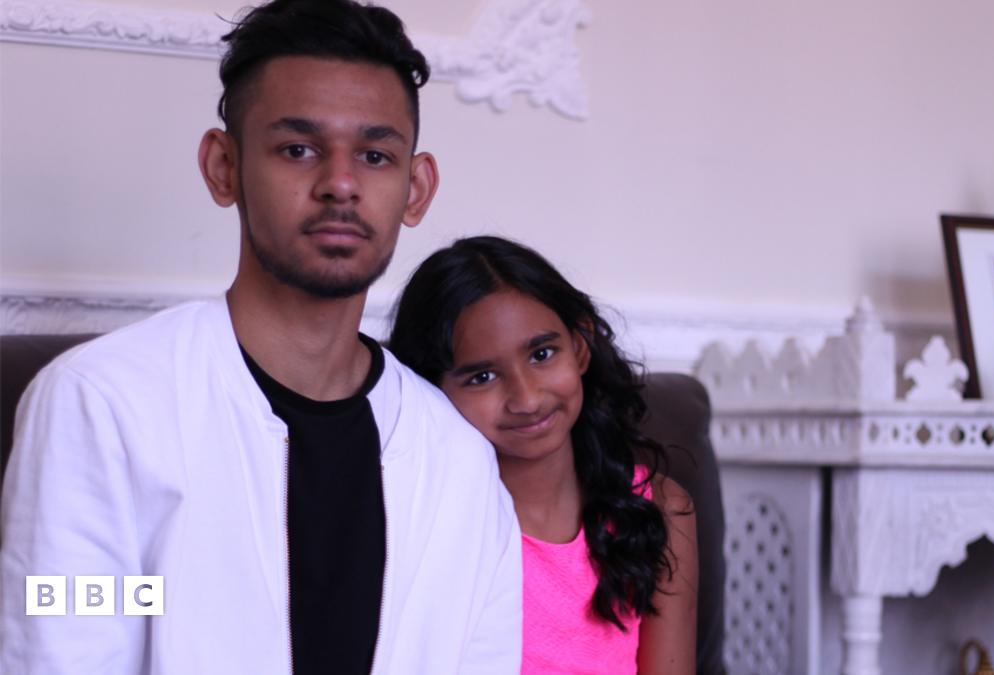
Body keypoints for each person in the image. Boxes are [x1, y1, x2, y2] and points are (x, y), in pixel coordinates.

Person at [0, 1, 521, 673]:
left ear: (415, 189)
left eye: (374, 155)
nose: (340, 184)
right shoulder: (104, 406)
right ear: (224, 167)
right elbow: (63, 642)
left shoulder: (459, 463)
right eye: (298, 149)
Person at [389, 236, 699, 674]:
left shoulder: (661, 510)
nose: (527, 399)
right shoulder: (423, 529)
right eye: (482, 377)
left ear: (580, 346)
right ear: (432, 391)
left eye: (542, 354)